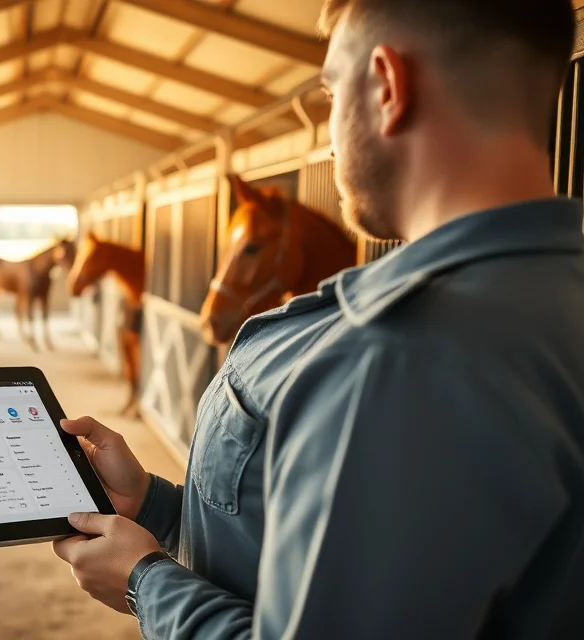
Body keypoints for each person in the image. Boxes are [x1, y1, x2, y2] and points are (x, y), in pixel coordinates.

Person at [52, 0, 584, 638]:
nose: (330, 129)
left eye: (331, 93)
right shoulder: (551, 294)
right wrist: (160, 506)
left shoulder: (398, 354)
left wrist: (145, 581)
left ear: (388, 86)